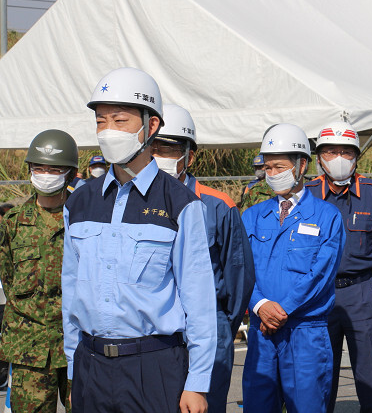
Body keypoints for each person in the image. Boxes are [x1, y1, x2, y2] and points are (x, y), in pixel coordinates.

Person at [61, 67, 216, 413]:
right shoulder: (80, 202)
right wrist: (74, 368)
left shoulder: (180, 203)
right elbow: (71, 290)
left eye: (120, 120)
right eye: (101, 122)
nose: (108, 132)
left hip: (154, 367)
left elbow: (200, 300)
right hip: (91, 366)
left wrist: (197, 382)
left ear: (152, 125)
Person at [150, 103, 254, 413]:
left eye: (168, 149)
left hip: (208, 329)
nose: (159, 156)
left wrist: (221, 323)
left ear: (189, 155)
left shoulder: (218, 204)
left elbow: (239, 276)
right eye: (153, 147)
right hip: (156, 331)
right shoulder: (135, 204)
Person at [242, 123, 345, 412]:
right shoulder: (253, 216)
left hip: (305, 333)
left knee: (308, 406)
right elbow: (241, 269)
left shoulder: (326, 216)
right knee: (258, 406)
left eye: (279, 167)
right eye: (268, 168)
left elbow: (321, 275)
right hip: (262, 330)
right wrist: (260, 305)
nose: (272, 174)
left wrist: (282, 309)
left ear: (301, 165)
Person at [306, 121, 372, 413]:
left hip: (362, 294)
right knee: (318, 378)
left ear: (356, 156)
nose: (338, 158)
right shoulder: (306, 196)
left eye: (345, 152)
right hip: (317, 295)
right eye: (330, 152)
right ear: (318, 157)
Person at [0, 129, 79, 412]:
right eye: (39, 167)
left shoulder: (85, 220)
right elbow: (8, 279)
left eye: (54, 168)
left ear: (70, 174)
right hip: (29, 348)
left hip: (78, 347)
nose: (45, 174)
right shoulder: (12, 223)